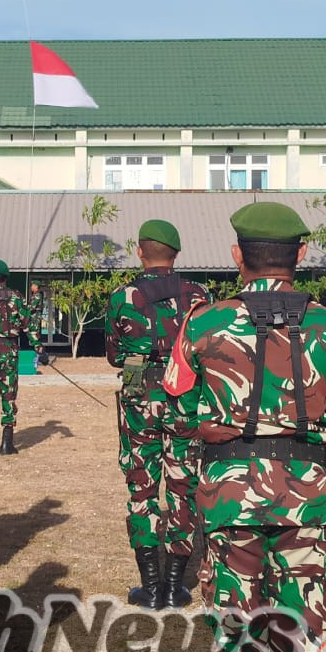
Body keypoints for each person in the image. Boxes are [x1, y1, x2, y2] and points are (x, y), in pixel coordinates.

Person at [164, 201, 326, 652]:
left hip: (228, 493)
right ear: (301, 253)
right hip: (304, 494)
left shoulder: (203, 323)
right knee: (301, 619)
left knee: (237, 618)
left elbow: (178, 408)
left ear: (236, 256)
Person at [105, 219, 209, 609]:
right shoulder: (199, 294)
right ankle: (174, 585)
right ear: (176, 254)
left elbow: (114, 354)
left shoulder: (123, 296)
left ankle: (149, 586)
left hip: (138, 389)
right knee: (183, 485)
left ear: (139, 251)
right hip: (185, 392)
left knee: (142, 485)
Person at [0, 259, 40, 455]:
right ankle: (7, 443)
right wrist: (39, 348)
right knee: (9, 394)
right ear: (6, 277)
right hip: (10, 351)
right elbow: (28, 324)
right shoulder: (16, 297)